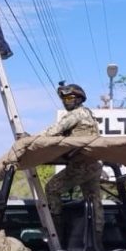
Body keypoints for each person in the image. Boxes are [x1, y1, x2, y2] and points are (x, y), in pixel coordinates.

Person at [40, 82, 104, 236]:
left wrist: (32, 138)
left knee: (52, 189)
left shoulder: (76, 114)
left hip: (82, 164)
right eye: (64, 99)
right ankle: (97, 240)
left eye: (70, 98)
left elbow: (54, 130)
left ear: (79, 99)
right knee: (94, 201)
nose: (66, 101)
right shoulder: (88, 115)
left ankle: (56, 234)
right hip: (93, 164)